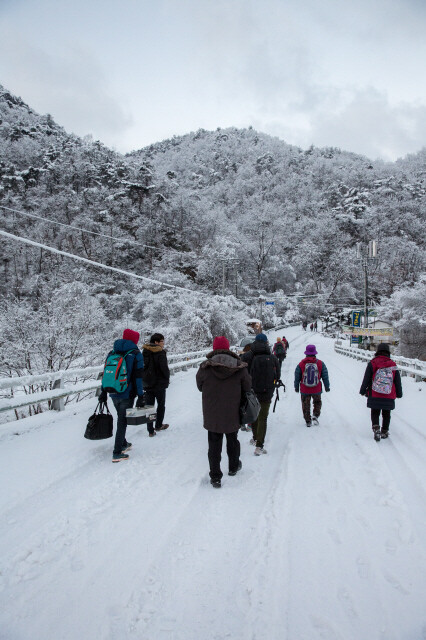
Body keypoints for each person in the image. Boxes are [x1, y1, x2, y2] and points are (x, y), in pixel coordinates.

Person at [196, 336, 251, 488]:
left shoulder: (205, 367)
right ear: (228, 348)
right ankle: (233, 467)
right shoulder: (239, 366)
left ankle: (215, 476)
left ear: (214, 348)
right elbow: (247, 386)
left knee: (214, 444)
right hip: (233, 410)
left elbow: (200, 386)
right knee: (232, 440)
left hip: (212, 412)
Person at [99, 328, 144, 462]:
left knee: (120, 417)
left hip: (112, 391)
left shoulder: (112, 352)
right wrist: (141, 395)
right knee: (122, 421)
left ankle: (123, 443)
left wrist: (103, 392)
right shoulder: (136, 354)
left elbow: (106, 373)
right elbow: (138, 378)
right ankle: (117, 452)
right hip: (127, 393)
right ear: (134, 340)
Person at [242, 333, 280, 455]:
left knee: (254, 415)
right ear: (266, 343)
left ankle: (254, 438)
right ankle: (259, 446)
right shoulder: (272, 357)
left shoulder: (247, 356)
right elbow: (278, 375)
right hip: (267, 392)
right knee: (263, 418)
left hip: (251, 392)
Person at [359, 343, 402, 441]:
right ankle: (385, 431)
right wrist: (399, 393)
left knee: (375, 411)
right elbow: (397, 381)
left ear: (378, 351)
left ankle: (376, 429)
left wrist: (362, 390)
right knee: (386, 413)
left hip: (374, 393)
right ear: (388, 352)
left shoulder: (373, 363)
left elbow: (366, 378)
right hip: (389, 394)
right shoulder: (393, 364)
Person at [294, 344, 330, 427]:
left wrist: (296, 387)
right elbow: (325, 375)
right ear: (315, 353)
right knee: (317, 402)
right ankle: (315, 415)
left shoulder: (301, 364)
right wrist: (327, 386)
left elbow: (297, 376)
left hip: (304, 389)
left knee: (305, 404)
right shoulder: (320, 363)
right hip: (316, 389)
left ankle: (308, 420)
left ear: (306, 353)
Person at [142, 333, 170, 437]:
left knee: (149, 407)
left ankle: (150, 430)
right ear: (156, 342)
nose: (163, 343)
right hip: (159, 384)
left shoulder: (144, 352)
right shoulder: (160, 353)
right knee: (161, 405)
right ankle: (158, 425)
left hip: (148, 384)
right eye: (162, 341)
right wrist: (167, 379)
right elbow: (164, 369)